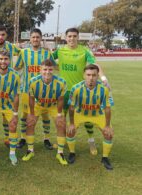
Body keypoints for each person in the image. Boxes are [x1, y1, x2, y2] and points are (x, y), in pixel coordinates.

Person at [52, 27, 112, 155]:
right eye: (69, 36)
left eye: (74, 36)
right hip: (63, 92)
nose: (72, 38)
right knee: (61, 118)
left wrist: (103, 78)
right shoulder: (60, 51)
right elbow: (48, 62)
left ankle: (91, 141)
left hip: (80, 92)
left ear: (78, 37)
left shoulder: (84, 51)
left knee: (88, 118)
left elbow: (94, 65)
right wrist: (59, 67)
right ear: (65, 37)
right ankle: (61, 140)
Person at [14, 28, 56, 149]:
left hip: (44, 90)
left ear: (41, 39)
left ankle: (46, 138)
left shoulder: (47, 53)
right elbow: (16, 68)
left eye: (38, 37)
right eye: (33, 37)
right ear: (30, 39)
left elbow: (54, 67)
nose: (35, 39)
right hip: (27, 90)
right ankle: (22, 138)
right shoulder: (24, 53)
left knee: (45, 115)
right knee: (24, 115)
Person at [67, 64, 114, 170]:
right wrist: (71, 123)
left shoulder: (104, 89)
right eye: (88, 75)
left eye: (94, 75)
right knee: (70, 131)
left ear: (98, 76)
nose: (91, 78)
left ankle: (105, 158)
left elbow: (107, 108)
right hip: (80, 113)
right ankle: (72, 153)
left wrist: (107, 125)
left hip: (97, 114)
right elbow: (71, 107)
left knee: (109, 134)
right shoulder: (76, 88)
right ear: (84, 75)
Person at [22, 59, 67, 165]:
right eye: (45, 69)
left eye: (50, 69)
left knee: (61, 124)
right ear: (40, 70)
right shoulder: (33, 81)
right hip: (38, 104)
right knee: (30, 123)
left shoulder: (61, 82)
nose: (47, 72)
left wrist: (60, 115)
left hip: (53, 105)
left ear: (53, 70)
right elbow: (31, 98)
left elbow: (60, 99)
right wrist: (32, 114)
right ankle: (30, 150)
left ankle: (60, 153)